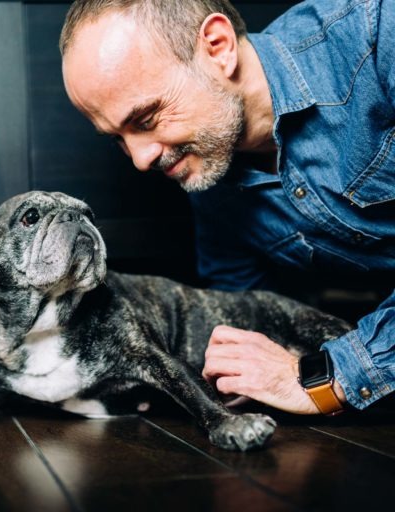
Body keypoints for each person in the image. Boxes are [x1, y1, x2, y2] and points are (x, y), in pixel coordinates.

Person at [59, 0, 394, 415]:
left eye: (145, 119)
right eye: (117, 138)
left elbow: (317, 378)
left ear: (218, 47)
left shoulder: (378, 32)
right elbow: (241, 317)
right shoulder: (209, 176)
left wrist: (330, 377)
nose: (140, 159)